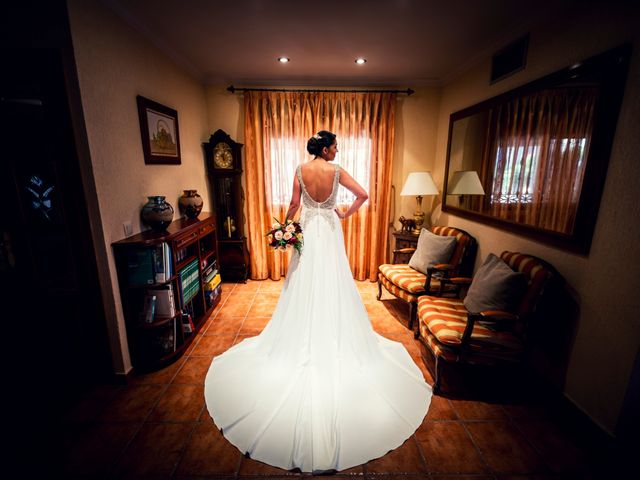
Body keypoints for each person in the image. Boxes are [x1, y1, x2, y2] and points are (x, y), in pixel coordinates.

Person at [204, 131, 432, 474]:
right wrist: (345, 214)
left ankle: (302, 333)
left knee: (302, 282)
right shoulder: (337, 171)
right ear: (326, 149)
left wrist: (284, 227)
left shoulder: (299, 169)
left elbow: (295, 205)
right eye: (335, 145)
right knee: (335, 281)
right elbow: (363, 195)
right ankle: (333, 332)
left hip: (308, 233)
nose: (337, 149)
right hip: (329, 230)